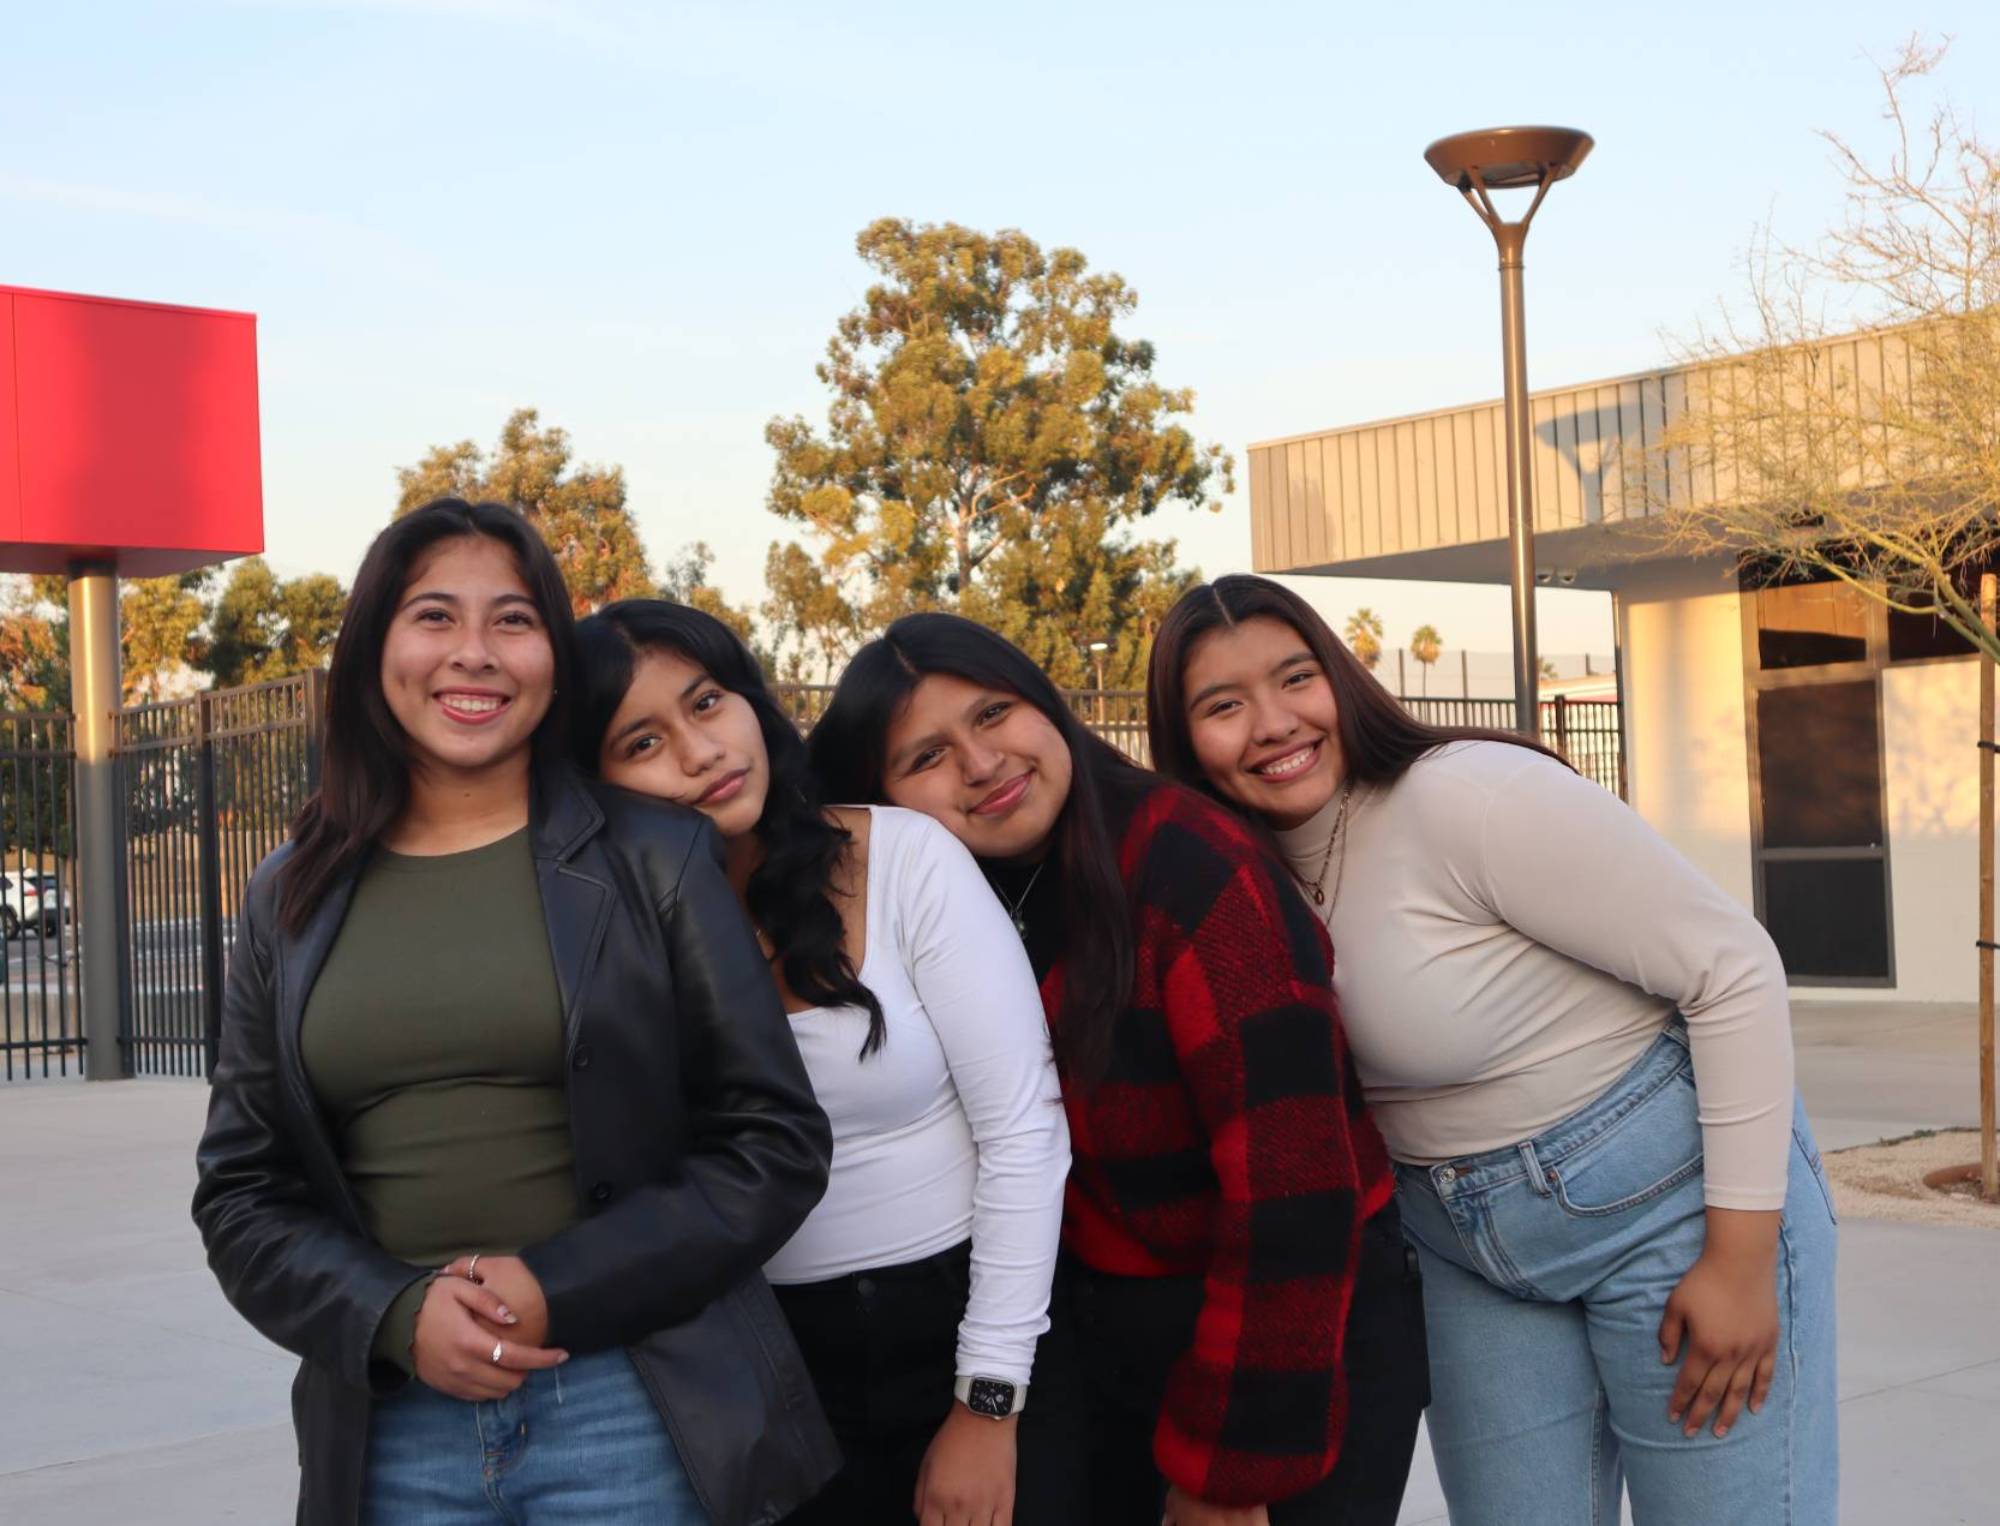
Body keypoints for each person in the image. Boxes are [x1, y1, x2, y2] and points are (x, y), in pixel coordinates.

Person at [192, 500, 840, 1526]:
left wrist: (557, 1285)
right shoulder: (288, 897)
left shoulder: (654, 856)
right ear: (376, 648)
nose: (475, 654)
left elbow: (774, 1141)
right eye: (435, 616)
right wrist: (395, 1312)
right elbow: (241, 1194)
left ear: (551, 656)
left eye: (513, 620)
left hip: (633, 1403)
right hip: (390, 1425)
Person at [1144, 573, 1840, 1526]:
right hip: (1465, 1252)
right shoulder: (1225, 881)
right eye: (1223, 706)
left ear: (1339, 680)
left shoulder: (1462, 796)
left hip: (1670, 1214)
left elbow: (1734, 969)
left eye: (1294, 678)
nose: (1271, 723)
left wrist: (1739, 1261)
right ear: (1185, 741)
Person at [808, 613, 1426, 1526]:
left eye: (994, 714)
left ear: (1046, 705)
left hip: (1289, 1325)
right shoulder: (941, 899)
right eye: (926, 756)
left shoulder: (1188, 866)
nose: (981, 765)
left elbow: (1295, 1182)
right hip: (1101, 1334)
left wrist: (1228, 1473)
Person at [572, 599, 1080, 1526]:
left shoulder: (902, 858)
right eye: (642, 741)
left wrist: (987, 1402)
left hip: (961, 1334)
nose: (701, 750)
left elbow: (1025, 1133)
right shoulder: (601, 939)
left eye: (708, 701)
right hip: (745, 1368)